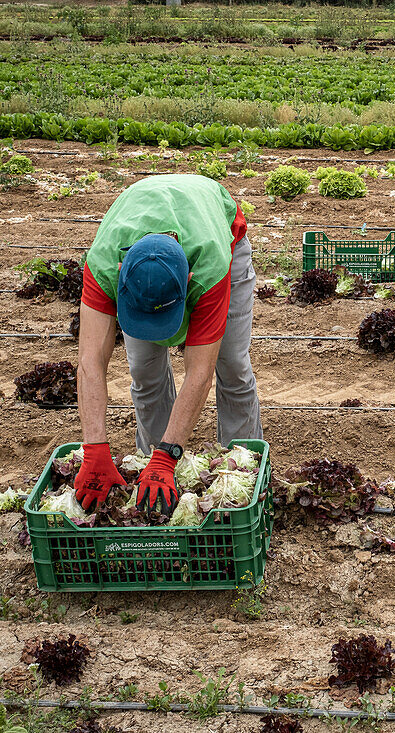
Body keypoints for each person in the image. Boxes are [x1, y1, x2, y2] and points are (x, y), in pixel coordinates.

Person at [73, 174, 262, 516]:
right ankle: (150, 471)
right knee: (144, 372)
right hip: (140, 242)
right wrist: (94, 448)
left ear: (189, 282)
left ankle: (241, 467)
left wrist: (170, 454)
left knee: (231, 365)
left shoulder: (209, 268)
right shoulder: (104, 266)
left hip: (217, 236)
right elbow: (90, 362)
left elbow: (200, 373)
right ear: (120, 277)